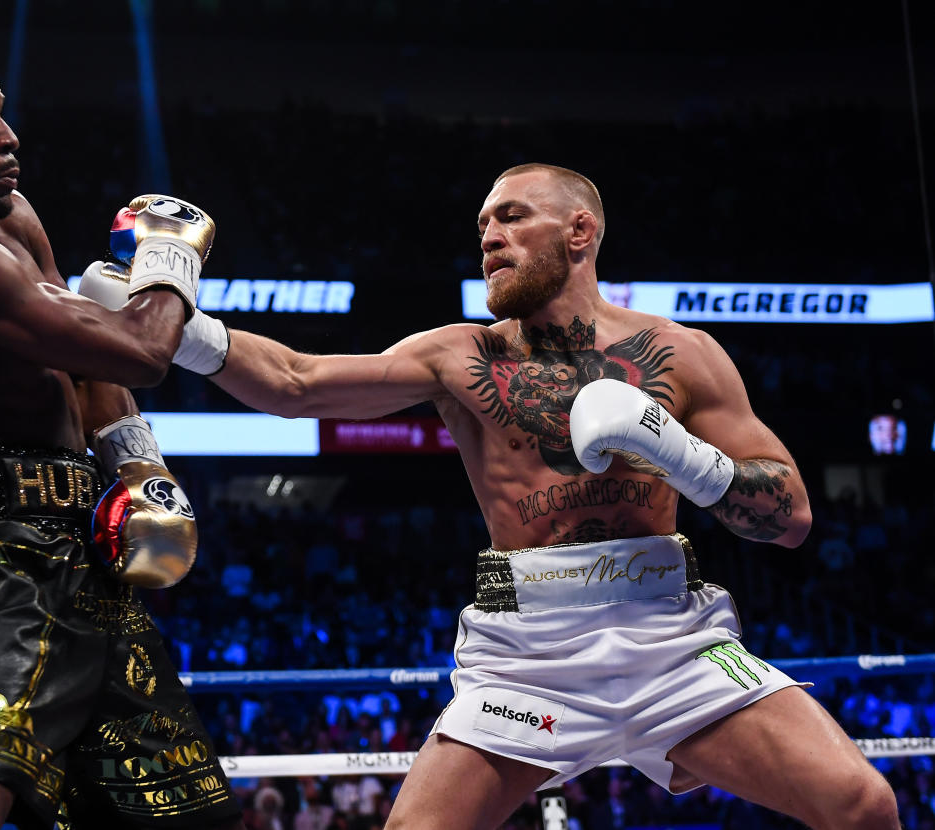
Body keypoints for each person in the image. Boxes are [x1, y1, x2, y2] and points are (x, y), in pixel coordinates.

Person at [167, 163, 899, 828]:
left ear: (580, 230)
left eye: (512, 217)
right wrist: (178, 324)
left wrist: (673, 450)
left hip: (672, 641)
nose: (489, 237)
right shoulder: (461, 354)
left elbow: (792, 517)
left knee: (862, 805)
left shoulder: (683, 353)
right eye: (483, 225)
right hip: (527, 656)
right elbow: (297, 382)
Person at [0, 41, 242, 830]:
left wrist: (139, 469)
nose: (8, 135)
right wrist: (167, 258)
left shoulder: (10, 220)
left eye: (1, 112)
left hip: (81, 545)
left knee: (179, 813)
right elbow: (140, 349)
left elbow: (88, 363)